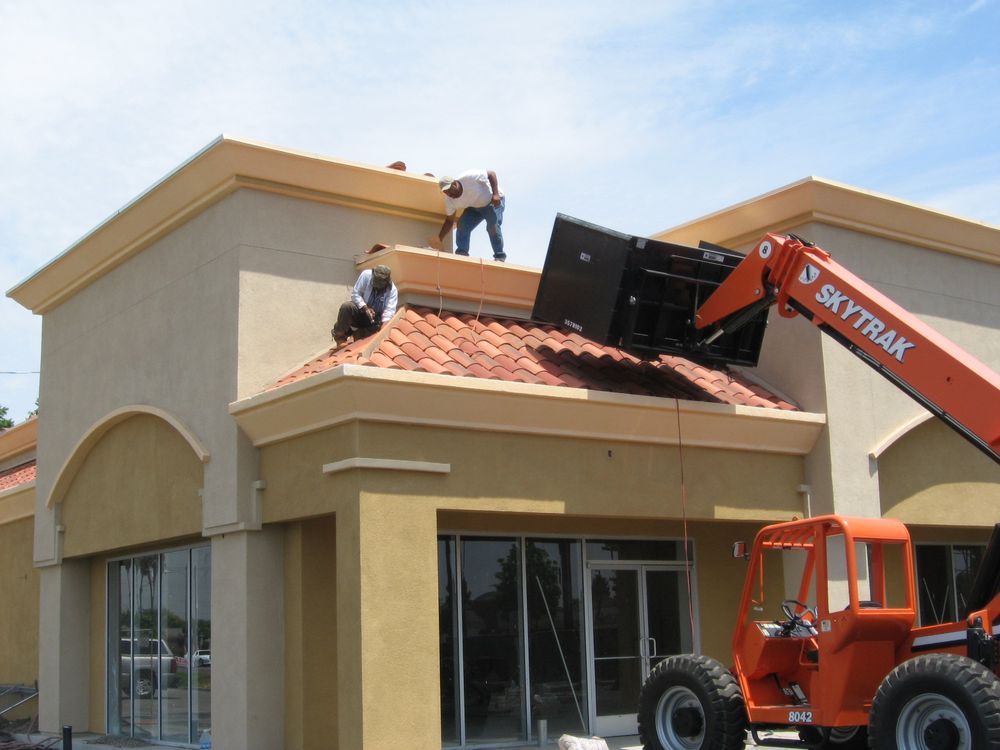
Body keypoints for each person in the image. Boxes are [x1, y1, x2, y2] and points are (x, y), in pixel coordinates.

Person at [436, 170, 506, 261]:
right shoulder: (450, 201)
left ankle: (499, 256)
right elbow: (449, 221)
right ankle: (462, 254)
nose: (450, 194)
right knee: (462, 224)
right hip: (475, 207)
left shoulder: (469, 177)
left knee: (492, 226)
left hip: (492, 201)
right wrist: (439, 238)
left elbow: (491, 174)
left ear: (454, 183)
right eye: (446, 192)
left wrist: (496, 194)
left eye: (450, 190)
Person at [331, 265, 398, 346]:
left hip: (374, 322)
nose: (377, 287)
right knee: (347, 307)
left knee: (381, 326)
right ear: (373, 274)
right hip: (360, 312)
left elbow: (388, 314)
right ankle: (340, 337)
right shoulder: (366, 275)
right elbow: (356, 294)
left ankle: (358, 335)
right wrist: (366, 308)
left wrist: (382, 335)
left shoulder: (392, 291)